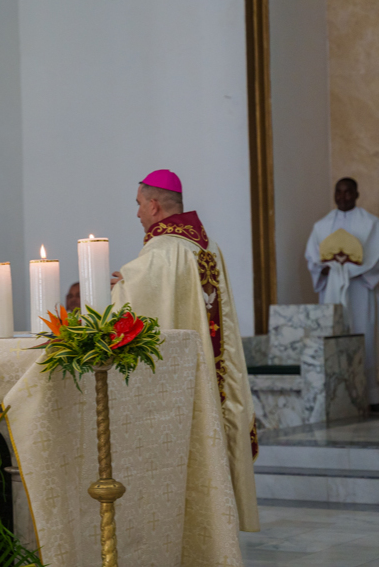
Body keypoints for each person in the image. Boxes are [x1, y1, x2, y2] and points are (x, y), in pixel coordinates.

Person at [111, 169, 259, 550]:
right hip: (212, 378)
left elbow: (133, 310)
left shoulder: (163, 251)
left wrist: (118, 286)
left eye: (140, 205)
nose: (138, 214)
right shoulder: (205, 248)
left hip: (180, 392)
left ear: (154, 205)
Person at [304, 177, 379, 409]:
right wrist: (328, 267)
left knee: (366, 334)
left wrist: (358, 270)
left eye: (348, 192)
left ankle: (372, 396)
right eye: (339, 192)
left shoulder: (372, 224)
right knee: (336, 333)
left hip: (361, 291)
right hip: (333, 289)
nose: (343, 197)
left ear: (356, 194)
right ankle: (338, 397)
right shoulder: (321, 226)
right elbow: (312, 259)